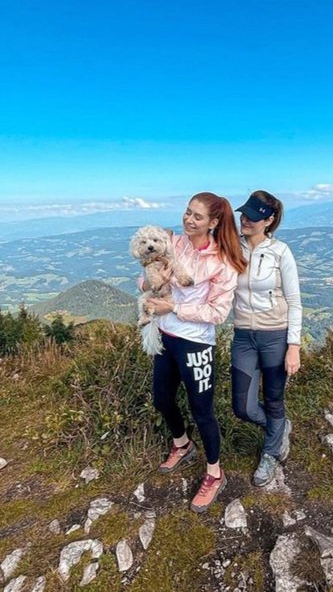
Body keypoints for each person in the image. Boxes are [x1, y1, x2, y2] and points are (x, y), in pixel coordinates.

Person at [143, 192, 246, 512]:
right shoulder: (173, 243)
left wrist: (173, 305)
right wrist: (148, 284)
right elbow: (146, 278)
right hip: (165, 335)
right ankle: (182, 444)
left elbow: (217, 312)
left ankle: (215, 473)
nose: (188, 220)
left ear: (213, 223)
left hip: (196, 343)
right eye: (188, 212)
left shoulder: (223, 261)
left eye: (197, 217)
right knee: (161, 398)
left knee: (202, 411)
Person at [230, 190, 302, 486]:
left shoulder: (281, 252)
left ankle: (271, 453)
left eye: (254, 216)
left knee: (273, 398)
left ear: (269, 220)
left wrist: (293, 346)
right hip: (243, 335)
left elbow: (295, 301)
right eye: (244, 213)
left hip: (275, 335)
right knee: (242, 407)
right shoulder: (232, 247)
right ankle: (279, 427)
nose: (245, 219)